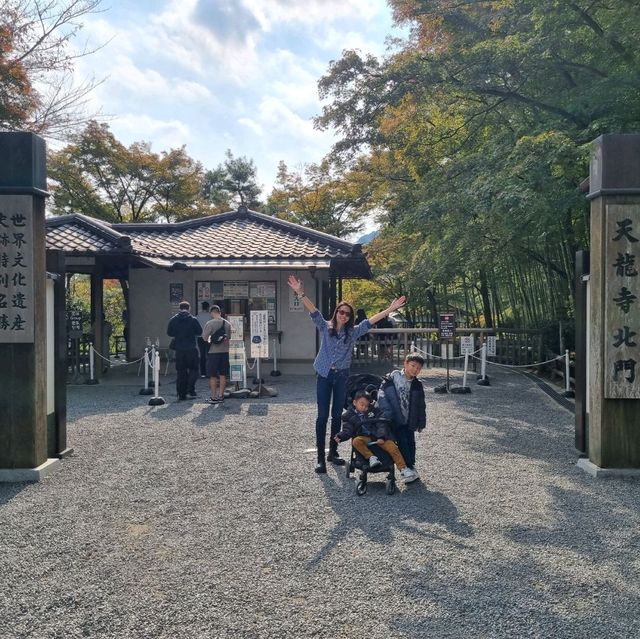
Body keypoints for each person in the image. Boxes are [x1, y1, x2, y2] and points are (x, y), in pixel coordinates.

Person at [287, 274, 406, 474]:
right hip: (324, 374)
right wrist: (300, 292)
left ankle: (332, 453)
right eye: (341, 312)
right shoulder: (326, 327)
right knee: (322, 415)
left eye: (347, 314)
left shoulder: (353, 332)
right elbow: (313, 310)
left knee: (336, 416)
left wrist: (390, 309)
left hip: (341, 376)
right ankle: (320, 458)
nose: (344, 315)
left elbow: (370, 321)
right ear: (336, 313)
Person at [334, 391, 418, 483]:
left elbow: (381, 424)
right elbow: (347, 430)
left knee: (393, 447)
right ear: (354, 403)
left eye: (367, 406)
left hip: (379, 437)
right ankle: (371, 457)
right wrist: (341, 436)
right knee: (356, 441)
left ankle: (403, 468)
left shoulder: (374, 411)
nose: (364, 408)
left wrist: (381, 436)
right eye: (362, 405)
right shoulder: (348, 416)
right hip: (365, 438)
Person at [377, 353, 426, 477]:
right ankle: (407, 467)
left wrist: (421, 423)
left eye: (418, 368)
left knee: (411, 442)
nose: (415, 370)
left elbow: (421, 405)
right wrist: (387, 412)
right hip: (395, 418)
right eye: (413, 366)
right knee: (402, 442)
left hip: (409, 419)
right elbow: (382, 395)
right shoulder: (393, 377)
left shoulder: (417, 384)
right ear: (405, 364)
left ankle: (411, 464)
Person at [167, 301, 202, 401]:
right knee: (194, 369)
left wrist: (178, 334)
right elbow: (199, 332)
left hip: (179, 349)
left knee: (181, 371)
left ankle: (181, 393)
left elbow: (169, 333)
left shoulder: (173, 320)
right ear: (189, 308)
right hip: (191, 348)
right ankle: (190, 389)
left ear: (179, 308)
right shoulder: (193, 320)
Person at [201, 305, 231, 404]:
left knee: (213, 375)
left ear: (212, 313)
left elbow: (204, 338)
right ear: (220, 312)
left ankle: (214, 397)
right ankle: (221, 396)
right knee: (223, 375)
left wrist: (210, 338)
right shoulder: (227, 324)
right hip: (225, 352)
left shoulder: (210, 323)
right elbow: (228, 338)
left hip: (213, 352)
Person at [196, 301, 211, 378]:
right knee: (210, 354)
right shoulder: (210, 316)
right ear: (208, 307)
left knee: (202, 355)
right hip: (209, 337)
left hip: (200, 337)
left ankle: (203, 373)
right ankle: (211, 372)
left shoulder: (198, 316)